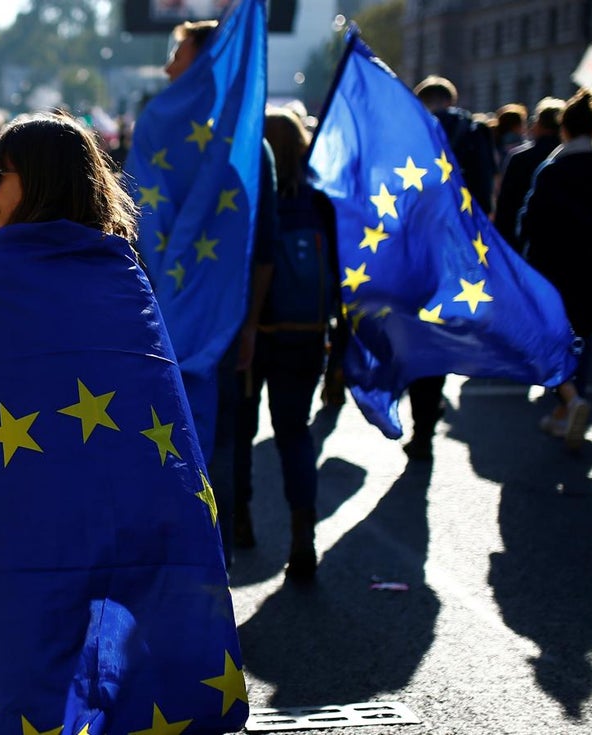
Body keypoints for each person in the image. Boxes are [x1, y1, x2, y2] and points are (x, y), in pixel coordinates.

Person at [0, 113, 247, 734]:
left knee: (22, 680)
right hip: (119, 517)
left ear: (40, 181)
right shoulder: (120, 269)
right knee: (123, 675)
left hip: (10, 527)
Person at [162, 18, 278, 566]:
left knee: (215, 443)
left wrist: (250, 323)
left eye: (177, 53)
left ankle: (211, 565)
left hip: (211, 326)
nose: (167, 66)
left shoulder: (247, 149)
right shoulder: (166, 138)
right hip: (179, 325)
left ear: (206, 62)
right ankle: (206, 570)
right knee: (198, 445)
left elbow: (263, 247)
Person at [233, 106, 337, 581]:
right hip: (307, 333)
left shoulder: (249, 204)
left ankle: (241, 519)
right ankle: (303, 536)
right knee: (295, 433)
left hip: (253, 333)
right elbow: (341, 277)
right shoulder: (321, 202)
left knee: (241, 431)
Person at [518, 89, 592, 450]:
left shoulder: (552, 170)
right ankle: (571, 402)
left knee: (552, 336)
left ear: (564, 128)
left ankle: (566, 402)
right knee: (584, 337)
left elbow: (530, 222)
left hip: (554, 265)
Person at [403, 75, 498, 461]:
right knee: (444, 327)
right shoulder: (475, 133)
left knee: (418, 334)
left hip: (417, 249)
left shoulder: (414, 130)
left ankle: (422, 425)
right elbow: (485, 193)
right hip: (459, 248)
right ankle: (431, 409)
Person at [494, 97, 565, 248]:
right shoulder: (571, 158)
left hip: (525, 238)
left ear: (540, 124)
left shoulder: (520, 158)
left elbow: (505, 205)